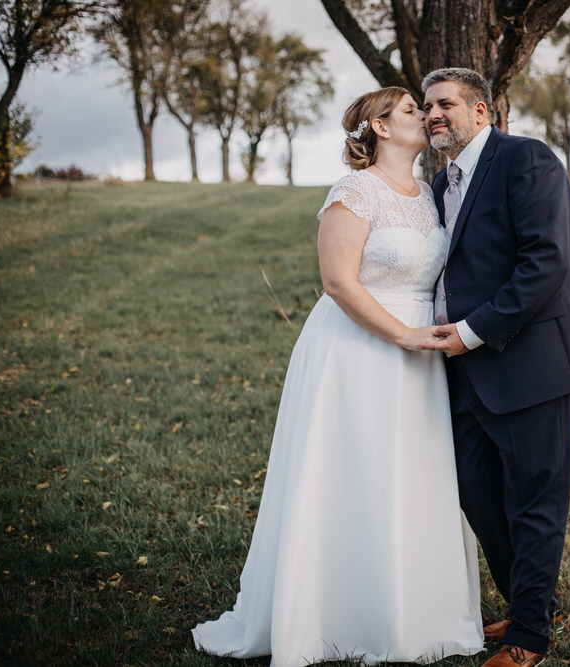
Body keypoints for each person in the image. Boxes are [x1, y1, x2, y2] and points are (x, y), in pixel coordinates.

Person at [191, 87, 484, 667]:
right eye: (410, 111)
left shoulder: (428, 193)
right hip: (358, 350)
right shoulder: (353, 192)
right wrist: (401, 335)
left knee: (410, 475)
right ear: (378, 126)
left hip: (421, 356)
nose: (424, 118)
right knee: (354, 471)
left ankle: (415, 613)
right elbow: (338, 282)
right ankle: (335, 612)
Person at [421, 68, 570, 667]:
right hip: (465, 373)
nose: (433, 114)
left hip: (533, 363)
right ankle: (533, 601)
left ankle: (529, 636)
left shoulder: (526, 160)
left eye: (445, 103)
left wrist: (472, 334)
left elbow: (545, 261)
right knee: (479, 494)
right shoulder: (438, 184)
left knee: (536, 500)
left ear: (482, 111)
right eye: (426, 105)